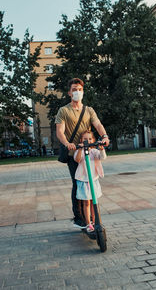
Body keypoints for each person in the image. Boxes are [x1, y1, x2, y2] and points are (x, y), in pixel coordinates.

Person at [55, 78, 109, 228]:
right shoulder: (64, 111)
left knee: (92, 184)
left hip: (90, 154)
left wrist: (104, 136)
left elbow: (97, 124)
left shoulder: (89, 110)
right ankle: (79, 218)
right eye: (74, 89)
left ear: (83, 92)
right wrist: (67, 143)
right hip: (75, 155)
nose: (77, 92)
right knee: (78, 184)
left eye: (79, 89)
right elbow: (60, 131)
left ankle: (92, 217)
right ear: (69, 92)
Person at [74, 130, 107, 232]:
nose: (87, 141)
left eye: (89, 139)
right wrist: (80, 149)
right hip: (83, 181)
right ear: (81, 140)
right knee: (86, 203)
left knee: (94, 202)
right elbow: (77, 159)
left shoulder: (94, 152)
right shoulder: (80, 151)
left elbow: (103, 157)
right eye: (85, 139)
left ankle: (94, 221)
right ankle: (88, 223)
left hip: (93, 180)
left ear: (93, 140)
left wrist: (101, 149)